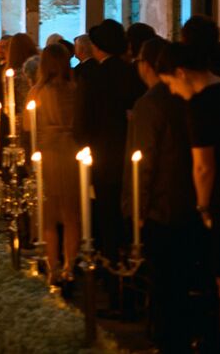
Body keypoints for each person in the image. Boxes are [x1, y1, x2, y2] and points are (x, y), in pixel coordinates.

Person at [126, 36, 201, 352]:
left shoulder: (152, 102)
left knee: (164, 282)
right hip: (193, 201)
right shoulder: (192, 96)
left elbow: (144, 161)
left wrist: (136, 209)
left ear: (147, 65)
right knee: (185, 278)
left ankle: (168, 339)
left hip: (162, 205)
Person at [74, 18, 145, 263]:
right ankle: (128, 257)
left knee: (105, 209)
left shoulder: (95, 76)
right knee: (127, 208)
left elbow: (85, 117)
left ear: (98, 47)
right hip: (131, 150)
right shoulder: (133, 73)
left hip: (102, 154)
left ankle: (109, 261)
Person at [157, 36, 220, 305]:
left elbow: (203, 166)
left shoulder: (199, 105)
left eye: (170, 83)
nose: (172, 91)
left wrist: (204, 207)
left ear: (181, 73)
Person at [24, 44, 80, 285]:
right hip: (72, 152)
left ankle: (53, 267)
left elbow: (27, 126)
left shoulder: (37, 92)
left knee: (48, 216)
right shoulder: (75, 89)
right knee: (72, 215)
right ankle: (70, 267)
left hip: (47, 152)